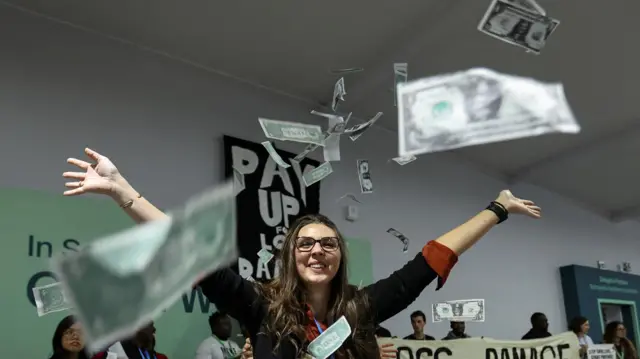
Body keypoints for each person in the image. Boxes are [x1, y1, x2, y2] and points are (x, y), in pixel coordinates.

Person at [62, 148, 542, 359]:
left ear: (340, 256)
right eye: (306, 243)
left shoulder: (362, 308)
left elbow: (431, 259)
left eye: (328, 244)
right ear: (290, 255)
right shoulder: (261, 309)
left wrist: (497, 208)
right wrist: (122, 191)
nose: (317, 251)